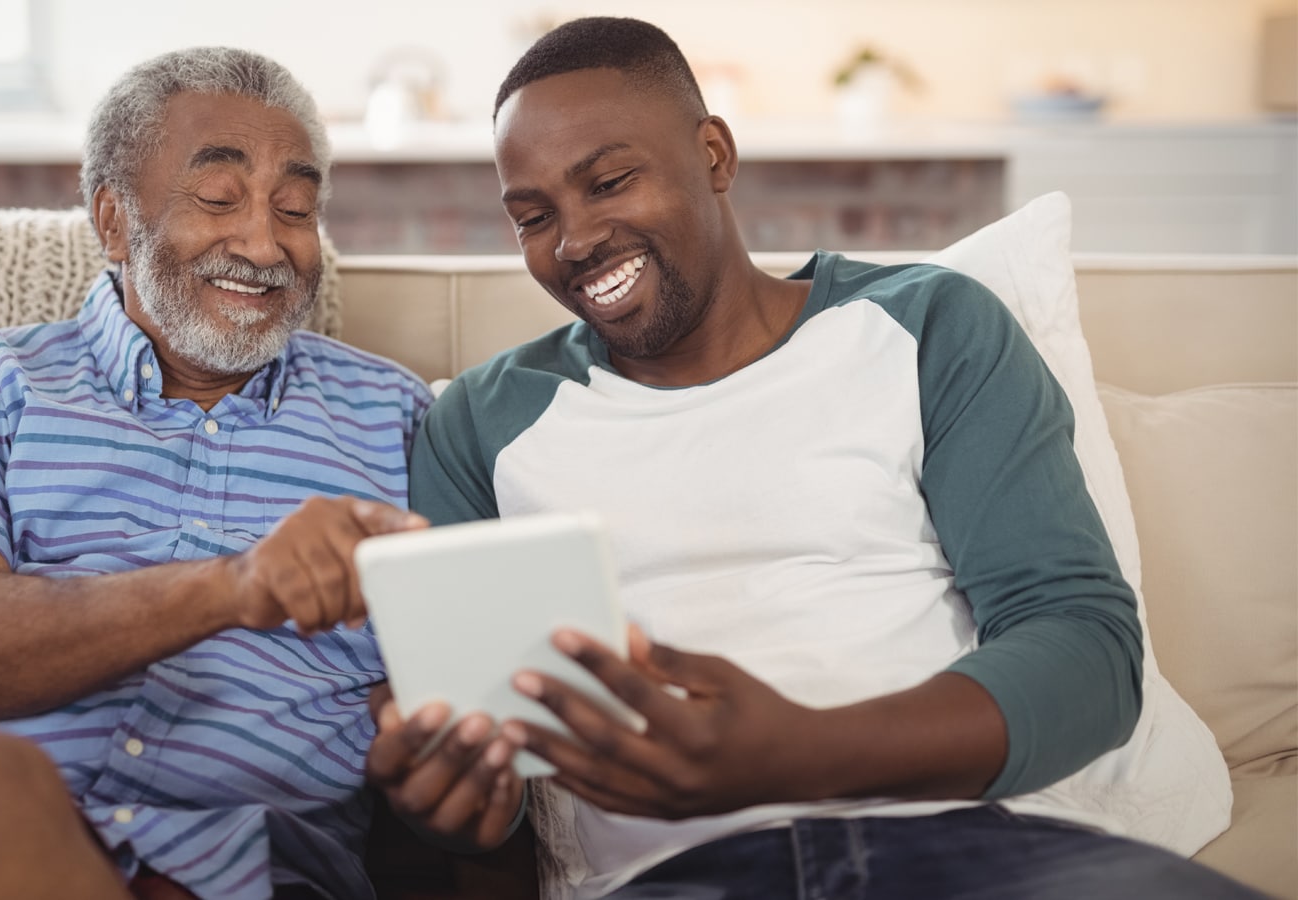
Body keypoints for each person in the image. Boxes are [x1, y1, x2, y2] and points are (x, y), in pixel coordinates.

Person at [365, 17, 1257, 900]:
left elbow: (1085, 651)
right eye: (534, 216)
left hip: (967, 852)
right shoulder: (481, 422)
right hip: (673, 883)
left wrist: (796, 753)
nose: (574, 240)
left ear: (713, 154)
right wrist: (453, 811)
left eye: (610, 181)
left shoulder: (930, 325)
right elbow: (488, 783)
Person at [0, 47, 433, 900]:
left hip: (250, 865)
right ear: (114, 220)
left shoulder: (396, 415)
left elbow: (428, 709)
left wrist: (431, 757)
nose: (264, 243)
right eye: (217, 199)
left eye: (297, 207)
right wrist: (233, 586)